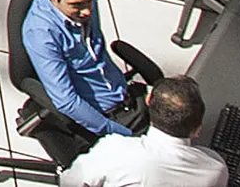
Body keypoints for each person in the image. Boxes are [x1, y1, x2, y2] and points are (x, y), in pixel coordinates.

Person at [26, 0, 156, 141]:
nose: (87, 11)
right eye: (76, 5)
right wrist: (121, 135)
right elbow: (66, 101)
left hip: (129, 97)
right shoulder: (42, 34)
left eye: (89, 1)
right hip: (108, 119)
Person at [60, 76, 226, 187]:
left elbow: (70, 182)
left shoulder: (113, 150)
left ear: (148, 100)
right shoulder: (215, 169)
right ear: (197, 130)